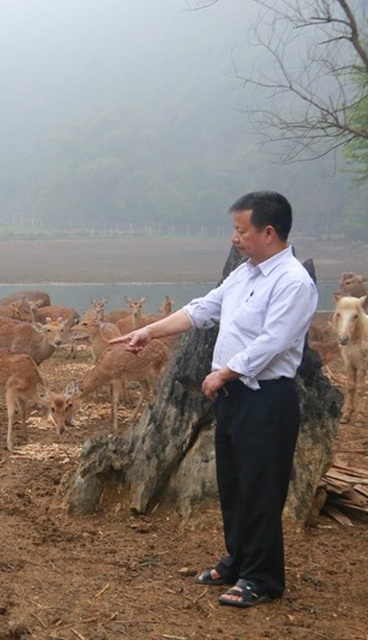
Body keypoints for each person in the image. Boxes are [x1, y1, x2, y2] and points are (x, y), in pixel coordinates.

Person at [110, 190, 317, 608]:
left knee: (261, 487)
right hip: (233, 397)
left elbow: (273, 342)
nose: (234, 238)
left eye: (241, 230)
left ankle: (262, 578)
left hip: (266, 399)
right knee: (234, 484)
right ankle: (238, 560)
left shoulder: (293, 281)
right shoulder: (246, 274)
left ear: (269, 231)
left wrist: (225, 371)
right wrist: (150, 330)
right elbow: (203, 308)